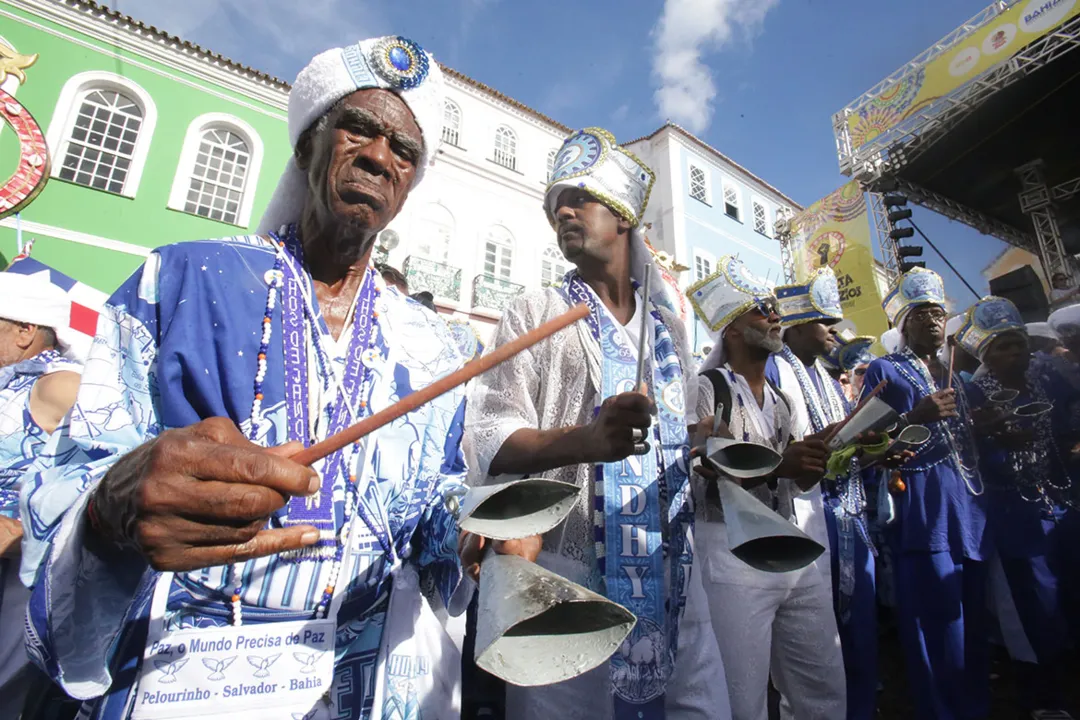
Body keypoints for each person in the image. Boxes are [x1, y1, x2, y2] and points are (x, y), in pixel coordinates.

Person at [19, 36, 473, 720]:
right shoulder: (178, 278)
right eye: (360, 129)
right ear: (308, 145)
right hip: (182, 677)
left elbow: (433, 515)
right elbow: (65, 476)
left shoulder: (437, 345)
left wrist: (481, 534)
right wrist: (117, 499)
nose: (381, 157)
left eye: (404, 152)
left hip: (360, 684)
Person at [464, 127, 727, 720]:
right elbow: (488, 435)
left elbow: (677, 438)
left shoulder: (669, 334)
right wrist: (587, 440)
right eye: (556, 202)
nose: (563, 210)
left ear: (624, 217)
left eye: (580, 198)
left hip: (676, 572)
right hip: (566, 578)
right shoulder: (536, 312)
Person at [688, 256, 846, 720]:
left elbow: (798, 481)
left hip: (793, 547)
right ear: (732, 331)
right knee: (743, 694)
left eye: (775, 308)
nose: (776, 317)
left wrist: (827, 454)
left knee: (821, 681)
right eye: (762, 311)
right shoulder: (704, 388)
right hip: (730, 551)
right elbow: (698, 471)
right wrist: (780, 465)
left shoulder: (779, 400)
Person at [862, 267, 989, 720]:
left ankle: (974, 706)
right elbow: (865, 446)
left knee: (972, 618)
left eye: (938, 313)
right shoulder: (885, 369)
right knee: (934, 620)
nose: (933, 321)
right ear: (904, 324)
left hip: (971, 506)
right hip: (922, 504)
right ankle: (940, 710)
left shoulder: (961, 377)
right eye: (921, 314)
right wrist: (913, 414)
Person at [958, 296, 1080, 720]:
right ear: (985, 354)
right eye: (1003, 347)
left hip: (1060, 505)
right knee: (1033, 607)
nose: (1015, 353)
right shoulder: (971, 392)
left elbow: (1068, 429)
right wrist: (991, 440)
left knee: (1069, 594)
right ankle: (1041, 697)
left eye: (1019, 344)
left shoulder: (1047, 380)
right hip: (1012, 514)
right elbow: (966, 455)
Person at [770, 270, 876, 720]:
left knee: (856, 626)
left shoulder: (829, 379)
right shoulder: (775, 369)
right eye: (824, 321)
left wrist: (872, 445)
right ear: (795, 326)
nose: (834, 330)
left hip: (846, 509)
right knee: (809, 640)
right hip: (803, 510)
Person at [0, 271, 83, 717]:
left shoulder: (60, 385)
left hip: (17, 580)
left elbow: (117, 474)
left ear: (25, 330)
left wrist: (27, 528)